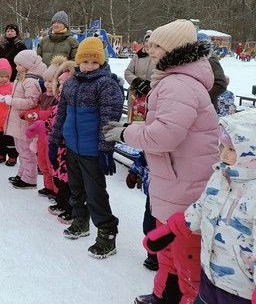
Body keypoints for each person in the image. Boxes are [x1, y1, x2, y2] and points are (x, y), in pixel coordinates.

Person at [103, 19, 219, 303]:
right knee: (169, 251)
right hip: (175, 179)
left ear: (174, 49)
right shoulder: (174, 80)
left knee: (185, 256)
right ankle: (165, 296)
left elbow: (165, 135)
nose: (149, 50)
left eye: (156, 46)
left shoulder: (178, 85)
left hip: (184, 183)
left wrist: (126, 132)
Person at [143, 109, 256, 304]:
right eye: (221, 147)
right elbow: (202, 206)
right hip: (209, 275)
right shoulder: (220, 176)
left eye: (231, 150)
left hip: (241, 289)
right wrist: (172, 229)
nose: (223, 154)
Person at [51, 36, 123, 258]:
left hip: (92, 151)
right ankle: (80, 220)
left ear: (101, 62)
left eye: (94, 62)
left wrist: (105, 150)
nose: (89, 66)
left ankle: (107, 233)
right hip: (72, 147)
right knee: (76, 188)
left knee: (95, 193)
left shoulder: (106, 85)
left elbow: (108, 120)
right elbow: (61, 114)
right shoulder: (71, 84)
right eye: (85, 61)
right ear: (78, 61)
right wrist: (54, 141)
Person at [23, 55, 66, 199]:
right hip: (41, 135)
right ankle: (48, 187)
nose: (47, 84)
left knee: (52, 163)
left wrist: (35, 116)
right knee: (42, 162)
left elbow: (48, 113)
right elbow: (39, 108)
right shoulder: (44, 95)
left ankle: (57, 190)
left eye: (50, 81)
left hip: (52, 136)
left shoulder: (57, 99)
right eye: (45, 80)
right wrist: (30, 113)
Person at [3, 50, 46, 189]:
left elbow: (32, 102)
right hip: (18, 122)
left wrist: (12, 101)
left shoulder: (30, 81)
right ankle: (22, 174)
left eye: (19, 65)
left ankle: (29, 179)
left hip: (24, 122)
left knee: (27, 152)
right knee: (21, 151)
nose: (16, 67)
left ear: (27, 65)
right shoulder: (21, 79)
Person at [45, 59, 76, 222]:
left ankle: (70, 208)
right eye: (61, 84)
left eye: (66, 84)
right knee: (57, 176)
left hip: (66, 148)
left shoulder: (72, 106)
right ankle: (61, 202)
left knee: (67, 180)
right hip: (55, 145)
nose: (62, 87)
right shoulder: (58, 103)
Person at [124, 31, 156, 122]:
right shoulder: (137, 56)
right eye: (147, 41)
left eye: (151, 41)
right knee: (133, 122)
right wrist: (137, 82)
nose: (148, 44)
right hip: (135, 95)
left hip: (152, 96)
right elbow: (128, 72)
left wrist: (150, 85)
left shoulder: (160, 57)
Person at [197, 32, 227, 107]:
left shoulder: (211, 60)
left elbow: (220, 84)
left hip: (208, 105)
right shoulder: (197, 59)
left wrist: (202, 96)